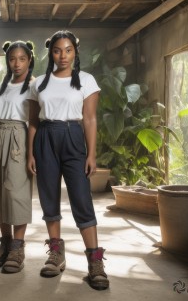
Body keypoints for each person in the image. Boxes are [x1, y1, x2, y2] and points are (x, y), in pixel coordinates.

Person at [26, 30, 109, 289]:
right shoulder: (38, 82)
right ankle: (55, 255)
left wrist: (91, 153)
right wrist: (31, 152)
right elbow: (32, 122)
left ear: (76, 52)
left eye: (68, 50)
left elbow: (90, 118)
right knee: (49, 197)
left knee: (82, 199)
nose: (63, 55)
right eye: (57, 50)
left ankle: (95, 261)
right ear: (50, 52)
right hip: (46, 138)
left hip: (73, 137)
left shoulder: (86, 79)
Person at [0, 40, 34, 273]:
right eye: (12, 59)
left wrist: (32, 153)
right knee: (1, 190)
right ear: (7, 61)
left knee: (16, 192)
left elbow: (34, 122)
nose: (17, 63)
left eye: (22, 58)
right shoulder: (0, 87)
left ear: (29, 60)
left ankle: (18, 247)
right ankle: (6, 244)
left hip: (18, 138)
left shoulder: (34, 86)